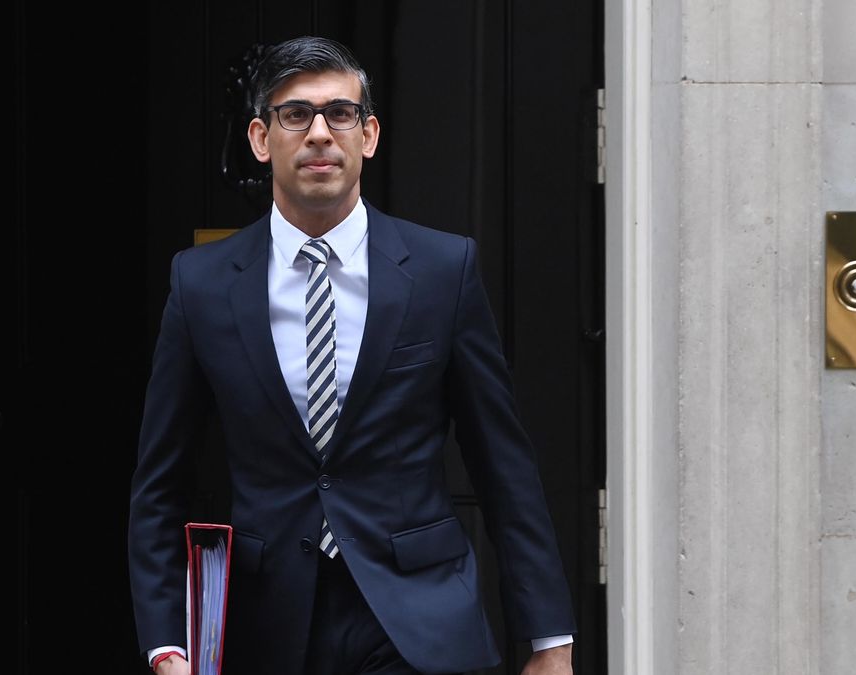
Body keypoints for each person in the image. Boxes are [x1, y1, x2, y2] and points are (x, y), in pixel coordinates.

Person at [128, 36, 576, 675]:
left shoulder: (442, 270)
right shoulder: (201, 284)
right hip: (267, 624)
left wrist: (549, 638)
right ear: (260, 139)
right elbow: (159, 484)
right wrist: (167, 645)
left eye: (339, 113)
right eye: (295, 115)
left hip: (418, 620)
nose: (319, 133)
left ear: (368, 135)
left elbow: (503, 466)